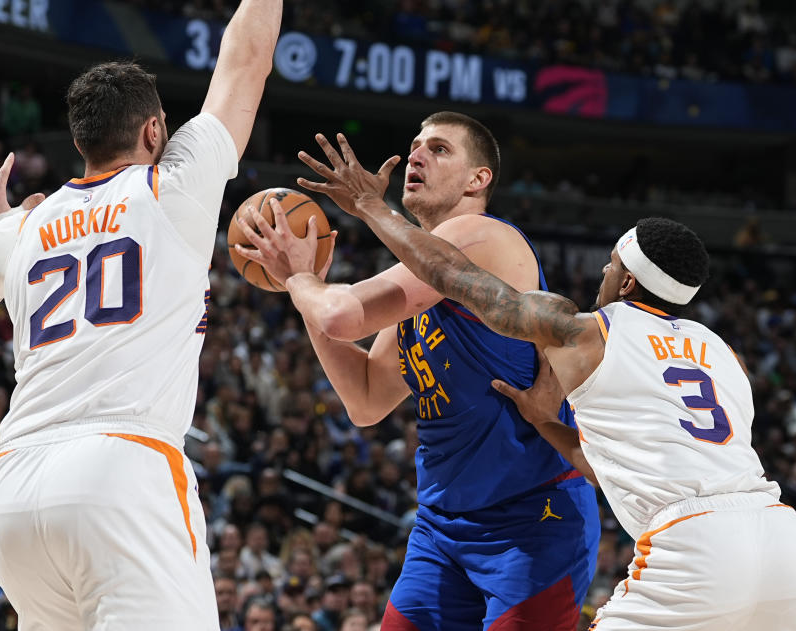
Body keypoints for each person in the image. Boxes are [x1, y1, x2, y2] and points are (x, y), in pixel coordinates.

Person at [281, 144, 796, 629]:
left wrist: (372, 208)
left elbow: (456, 279)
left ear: (628, 280)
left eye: (609, 267)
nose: (600, 276)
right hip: (781, 537)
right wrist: (546, 420)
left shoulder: (586, 333)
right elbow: (617, 463)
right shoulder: (723, 354)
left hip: (690, 545)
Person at [0, 0, 284, 627]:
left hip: (13, 488)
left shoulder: (19, 226)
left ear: (79, 141)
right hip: (119, 469)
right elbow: (246, 59)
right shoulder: (173, 186)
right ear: (155, 132)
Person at [235, 113, 600, 630]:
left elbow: (339, 314)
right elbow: (365, 400)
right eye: (414, 146)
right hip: (442, 527)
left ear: (479, 180)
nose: (417, 156)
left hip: (531, 518)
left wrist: (300, 280)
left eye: (440, 149)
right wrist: (309, 284)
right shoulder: (420, 285)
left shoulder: (481, 235)